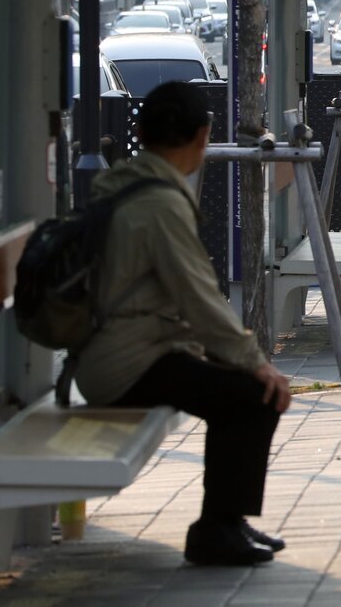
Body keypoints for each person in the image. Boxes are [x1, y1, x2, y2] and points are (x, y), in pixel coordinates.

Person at [74, 81, 291, 567]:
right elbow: (201, 300)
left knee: (236, 386)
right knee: (255, 395)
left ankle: (228, 520)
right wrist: (258, 364)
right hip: (127, 363)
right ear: (201, 137)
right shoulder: (162, 204)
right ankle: (217, 528)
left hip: (106, 354)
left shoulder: (124, 181)